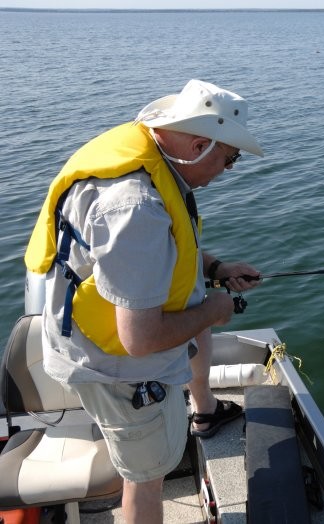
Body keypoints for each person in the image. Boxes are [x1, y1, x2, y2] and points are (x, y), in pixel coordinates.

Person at [24, 79, 263, 523]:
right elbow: (140, 338)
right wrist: (215, 308)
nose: (229, 169)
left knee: (145, 469)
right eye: (230, 159)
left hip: (100, 345)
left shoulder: (154, 166)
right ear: (197, 145)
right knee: (144, 482)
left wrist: (214, 269)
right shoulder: (136, 207)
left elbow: (160, 254)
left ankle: (202, 411)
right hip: (119, 370)